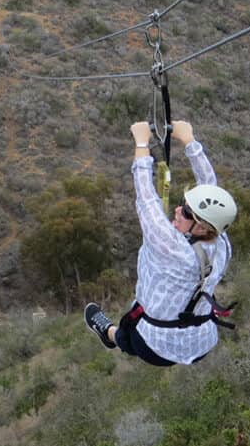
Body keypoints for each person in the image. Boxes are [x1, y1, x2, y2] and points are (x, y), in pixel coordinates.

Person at [84, 119, 236, 366]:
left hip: (155, 346)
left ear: (202, 227)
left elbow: (146, 199)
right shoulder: (222, 242)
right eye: (183, 204)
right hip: (202, 340)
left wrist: (142, 143)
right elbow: (211, 188)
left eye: (186, 213)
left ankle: (108, 334)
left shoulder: (171, 247)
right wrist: (189, 141)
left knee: (128, 334)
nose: (177, 210)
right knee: (145, 316)